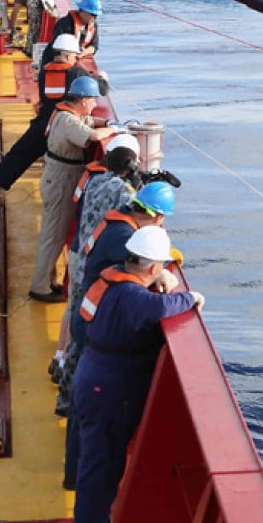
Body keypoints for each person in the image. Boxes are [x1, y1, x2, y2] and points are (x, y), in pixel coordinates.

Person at [70, 225, 204, 523]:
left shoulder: (109, 278)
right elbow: (159, 309)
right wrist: (190, 297)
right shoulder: (133, 298)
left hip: (91, 374)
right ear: (155, 267)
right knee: (102, 465)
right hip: (108, 388)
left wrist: (157, 285)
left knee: (93, 458)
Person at [61, 180, 180, 488]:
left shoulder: (119, 222)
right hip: (94, 326)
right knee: (92, 429)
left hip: (88, 312)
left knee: (79, 406)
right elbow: (151, 301)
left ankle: (73, 474)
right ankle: (80, 480)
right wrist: (173, 280)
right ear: (155, 216)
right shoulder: (124, 235)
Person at [48, 134, 141, 399]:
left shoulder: (94, 178)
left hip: (78, 252)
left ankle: (59, 357)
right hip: (97, 261)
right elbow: (133, 216)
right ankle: (71, 378)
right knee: (86, 318)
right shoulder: (122, 191)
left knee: (72, 307)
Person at [0, 34, 107, 196]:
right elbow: (97, 90)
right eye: (75, 56)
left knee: (20, 153)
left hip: (43, 123)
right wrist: (101, 79)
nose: (76, 59)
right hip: (62, 125)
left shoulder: (44, 72)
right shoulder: (77, 73)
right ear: (69, 55)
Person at [29, 76, 117, 303]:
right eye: (92, 99)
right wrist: (115, 130)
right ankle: (39, 286)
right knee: (54, 235)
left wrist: (104, 123)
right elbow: (92, 136)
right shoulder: (68, 121)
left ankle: (48, 280)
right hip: (61, 180)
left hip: (60, 176)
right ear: (84, 100)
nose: (95, 104)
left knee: (54, 233)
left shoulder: (66, 115)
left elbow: (89, 123)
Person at [40, 0, 101, 67]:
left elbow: (94, 46)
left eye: (96, 15)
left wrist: (81, 54)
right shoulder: (64, 24)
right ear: (82, 11)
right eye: (93, 14)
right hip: (55, 61)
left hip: (74, 60)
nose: (95, 18)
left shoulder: (93, 25)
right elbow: (57, 50)